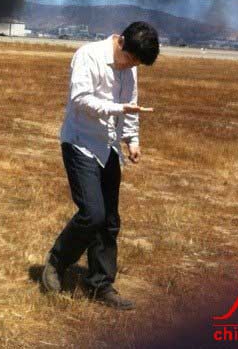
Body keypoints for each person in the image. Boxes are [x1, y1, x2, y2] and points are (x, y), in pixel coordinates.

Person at [41, 21, 160, 311]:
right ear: (120, 42)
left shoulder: (130, 67)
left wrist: (132, 139)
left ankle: (100, 284)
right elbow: (80, 100)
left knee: (109, 220)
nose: (131, 66)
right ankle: (56, 263)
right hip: (80, 142)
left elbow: (131, 104)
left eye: (137, 64)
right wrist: (119, 109)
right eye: (130, 59)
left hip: (108, 148)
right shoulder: (88, 55)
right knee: (92, 214)